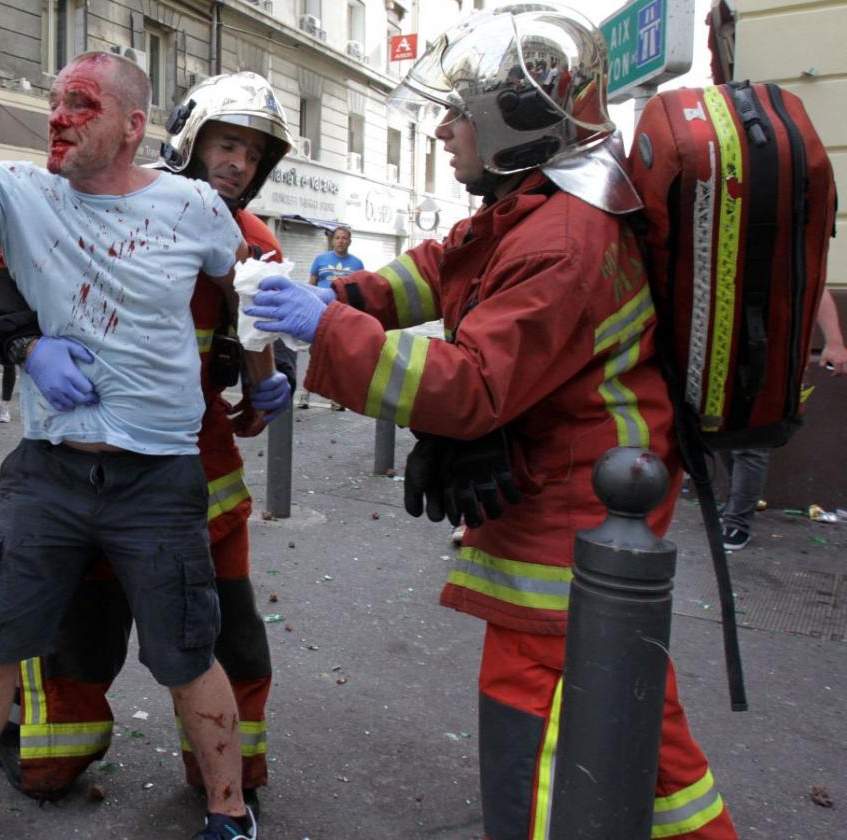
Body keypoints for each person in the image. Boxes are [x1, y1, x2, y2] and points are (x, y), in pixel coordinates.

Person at [245, 6, 736, 838]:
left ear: (511, 126)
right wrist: (339, 296)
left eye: (457, 113)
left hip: (576, 521)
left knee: (546, 731)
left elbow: (469, 388)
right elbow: (445, 267)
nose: (441, 128)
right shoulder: (534, 203)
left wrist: (318, 329)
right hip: (583, 498)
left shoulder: (564, 237)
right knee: (632, 719)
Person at [0, 13, 278, 839]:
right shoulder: (18, 193)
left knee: (187, 655)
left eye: (82, 104)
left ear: (134, 127)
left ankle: (230, 815)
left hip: (162, 479)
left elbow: (247, 286)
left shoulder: (199, 209)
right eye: (55, 100)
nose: (59, 116)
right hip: (51, 472)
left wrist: (260, 374)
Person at [0, 71, 294, 808]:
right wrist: (26, 347)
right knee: (73, 639)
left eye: (255, 155)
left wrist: (274, 375)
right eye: (228, 144)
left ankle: (231, 783)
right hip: (81, 474)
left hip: (195, 484)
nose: (239, 164)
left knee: (224, 643)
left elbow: (274, 319)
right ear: (186, 134)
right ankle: (48, 754)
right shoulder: (86, 201)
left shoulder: (245, 237)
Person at [718, 288, 847, 551]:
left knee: (752, 438)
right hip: (727, 347)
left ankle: (738, 521)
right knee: (722, 433)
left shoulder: (791, 247)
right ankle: (738, 503)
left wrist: (834, 343)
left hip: (773, 351)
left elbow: (817, 287)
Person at [298, 225, 362, 410]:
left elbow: (359, 291)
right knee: (314, 354)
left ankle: (336, 399)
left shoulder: (357, 264)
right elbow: (310, 287)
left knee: (337, 356)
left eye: (344, 238)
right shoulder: (320, 260)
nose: (340, 241)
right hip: (320, 314)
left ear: (349, 241)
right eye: (338, 238)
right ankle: (305, 394)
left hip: (342, 317)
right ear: (333, 240)